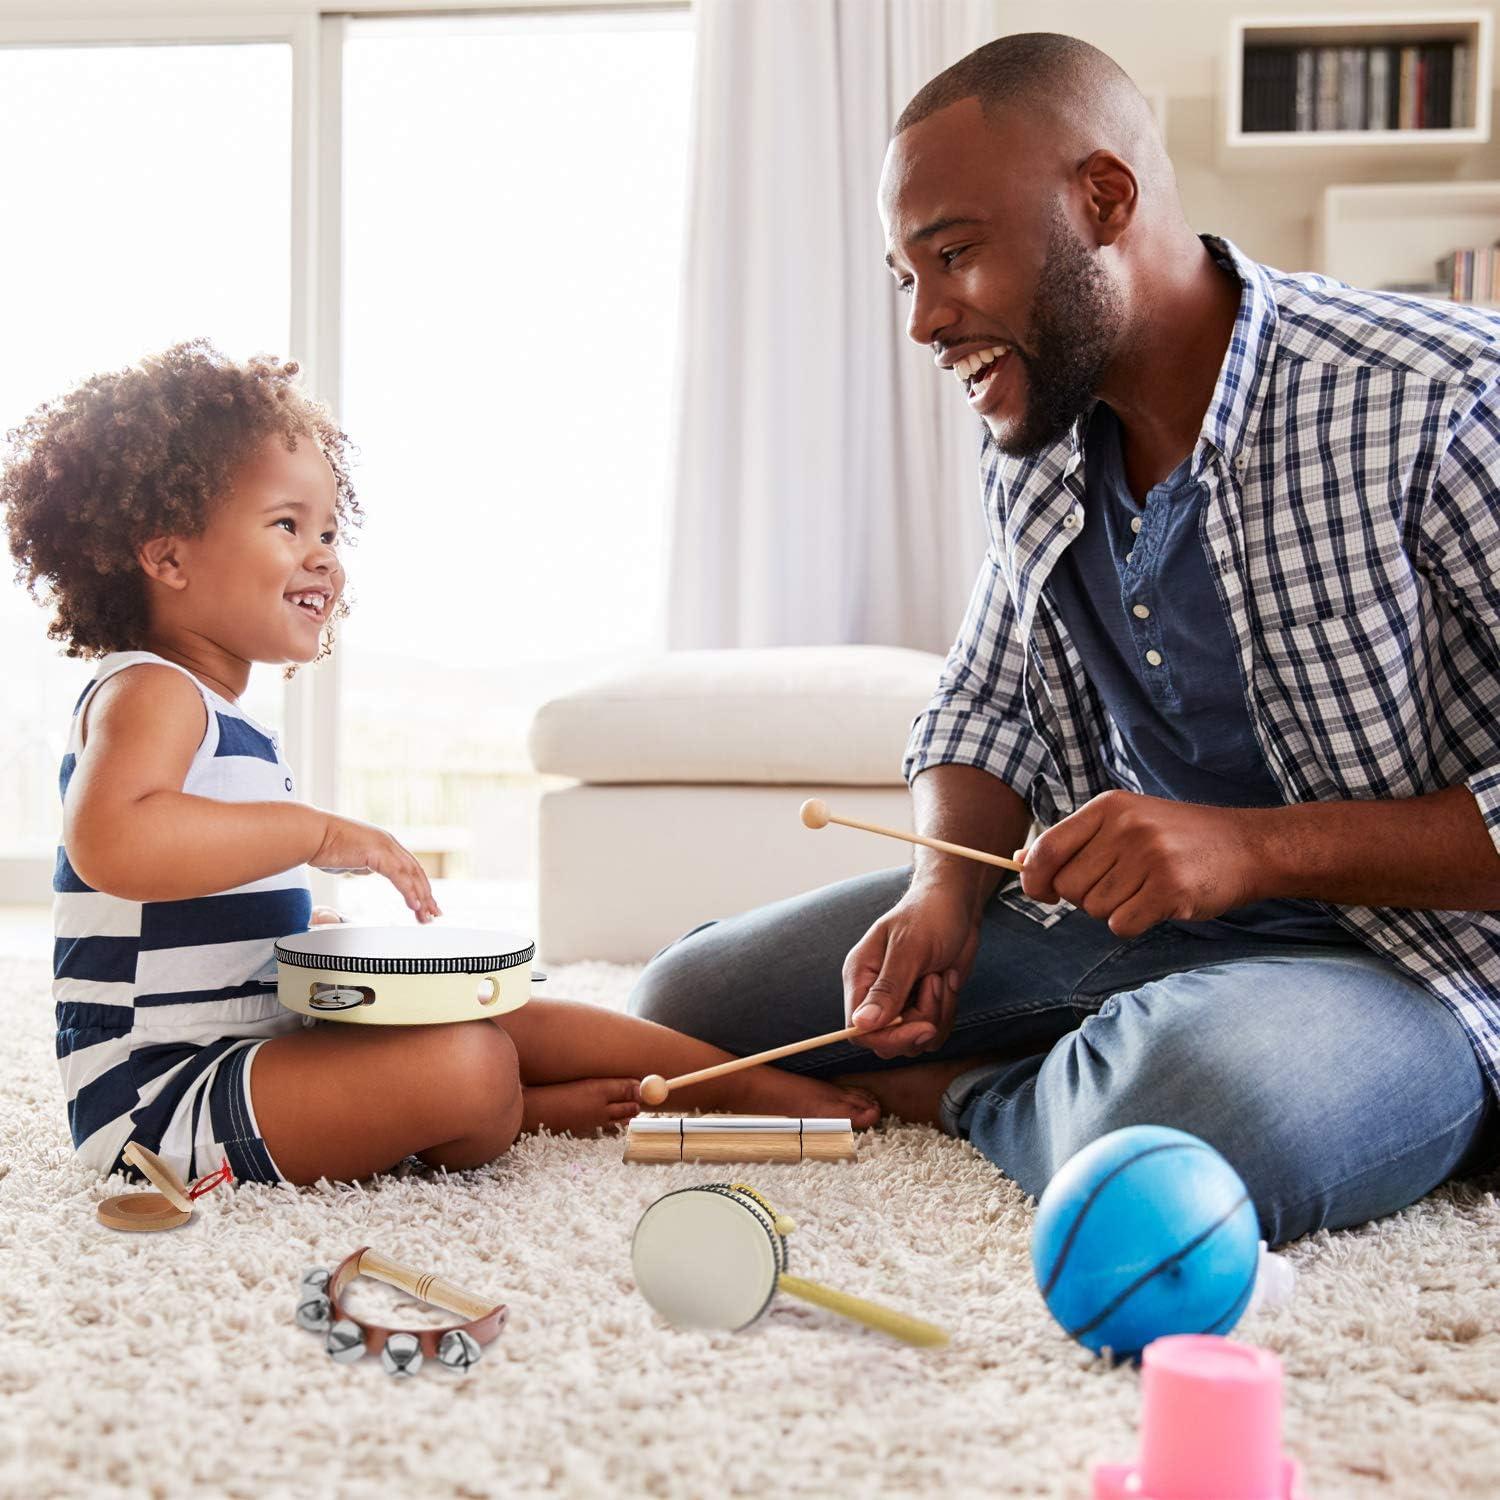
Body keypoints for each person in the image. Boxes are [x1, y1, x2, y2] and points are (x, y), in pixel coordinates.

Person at [629, 33, 1500, 1246]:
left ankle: (972, 1092)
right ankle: (1091, 1061)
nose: (929, 320)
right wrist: (943, 890)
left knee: (1178, 1117)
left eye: (955, 255)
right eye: (905, 278)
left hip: (1413, 971)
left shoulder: (1440, 400)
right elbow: (983, 704)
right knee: (686, 1002)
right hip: (1135, 932)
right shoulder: (1039, 442)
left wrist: (1250, 851)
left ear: (1104, 199)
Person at [1, 340, 877, 1191]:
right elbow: (116, 840)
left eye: (330, 530)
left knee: (491, 1005)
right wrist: (318, 834)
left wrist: (305, 926)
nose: (323, 556)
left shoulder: (223, 717)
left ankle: (742, 1082)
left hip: (249, 1047)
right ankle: (528, 1106)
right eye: (286, 524)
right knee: (469, 1064)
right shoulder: (150, 690)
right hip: (156, 1107)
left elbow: (190, 886)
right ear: (167, 556)